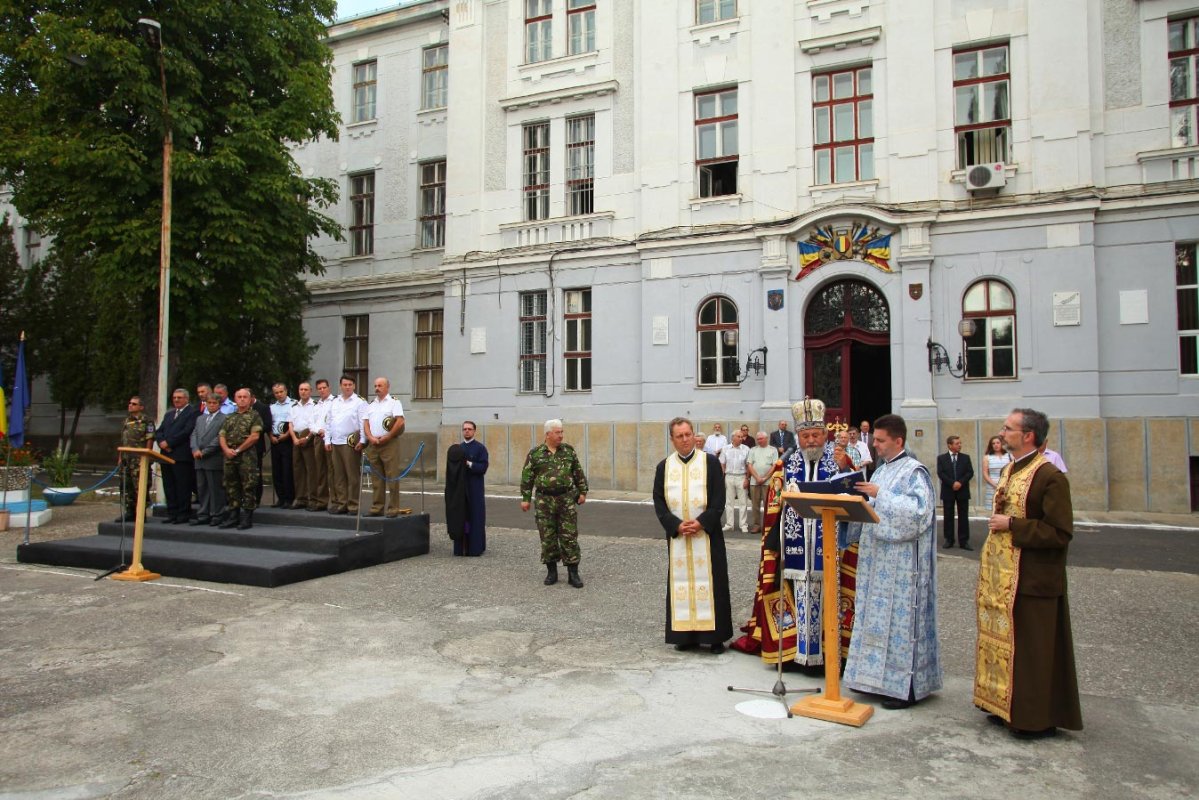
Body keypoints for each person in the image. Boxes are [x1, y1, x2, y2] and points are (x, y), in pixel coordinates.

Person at [976, 408, 1082, 739]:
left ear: (1028, 436)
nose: (1002, 433)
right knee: (1007, 645)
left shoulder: (1051, 476)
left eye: (1008, 428)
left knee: (1033, 650)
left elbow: (1060, 532)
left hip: (1033, 578)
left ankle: (1032, 717)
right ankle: (1001, 705)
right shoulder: (1010, 469)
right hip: (1004, 579)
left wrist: (1014, 525)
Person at [842, 414, 942, 710]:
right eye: (874, 439)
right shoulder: (881, 471)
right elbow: (874, 510)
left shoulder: (914, 472)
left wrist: (880, 496)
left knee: (900, 625)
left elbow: (918, 513)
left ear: (898, 441)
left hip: (902, 569)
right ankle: (875, 681)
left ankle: (905, 689)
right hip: (876, 565)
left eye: (880, 440)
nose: (874, 445)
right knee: (874, 621)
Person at [653, 417, 730, 654]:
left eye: (688, 434)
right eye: (680, 436)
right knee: (681, 584)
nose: (685, 440)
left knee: (712, 583)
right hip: (679, 539)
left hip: (707, 537)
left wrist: (701, 523)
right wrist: (675, 525)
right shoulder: (664, 467)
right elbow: (659, 501)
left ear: (694, 435)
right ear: (672, 439)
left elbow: (719, 499)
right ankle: (685, 636)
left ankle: (715, 638)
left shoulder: (710, 463)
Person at [520, 419, 589, 588]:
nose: (561, 435)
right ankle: (552, 572)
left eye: (562, 432)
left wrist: (583, 491)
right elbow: (527, 477)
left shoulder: (568, 451)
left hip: (566, 499)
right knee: (547, 537)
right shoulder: (535, 454)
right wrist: (526, 498)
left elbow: (577, 472)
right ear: (548, 434)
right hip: (544, 501)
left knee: (569, 536)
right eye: (558, 432)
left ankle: (573, 573)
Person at [218, 388, 264, 530]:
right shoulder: (229, 417)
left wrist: (238, 450)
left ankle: (247, 517)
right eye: (239, 397)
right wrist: (226, 449)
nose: (242, 399)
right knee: (231, 486)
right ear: (235, 399)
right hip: (229, 456)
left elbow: (255, 436)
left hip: (246, 456)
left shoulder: (255, 415)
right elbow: (221, 435)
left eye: (245, 397)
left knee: (248, 486)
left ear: (250, 399)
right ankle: (233, 516)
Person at [362, 376, 406, 518]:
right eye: (375, 385)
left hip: (389, 443)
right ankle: (377, 507)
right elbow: (366, 423)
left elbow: (400, 421)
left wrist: (388, 436)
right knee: (376, 478)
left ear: (387, 387)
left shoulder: (394, 402)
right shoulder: (371, 404)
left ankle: (393, 508)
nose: (377, 388)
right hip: (374, 444)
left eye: (380, 385)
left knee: (392, 476)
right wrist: (370, 437)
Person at [325, 376, 367, 515]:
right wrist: (327, 440)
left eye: (350, 384)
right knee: (339, 476)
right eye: (345, 384)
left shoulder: (359, 402)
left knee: (352, 475)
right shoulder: (335, 401)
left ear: (354, 386)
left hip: (350, 443)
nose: (347, 387)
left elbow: (363, 422)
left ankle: (353, 505)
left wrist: (362, 440)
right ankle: (342, 503)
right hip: (336, 442)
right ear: (340, 386)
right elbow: (329, 422)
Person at [157, 388, 198, 524]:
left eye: (179, 397)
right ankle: (172, 513)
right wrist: (161, 442)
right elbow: (160, 431)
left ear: (186, 399)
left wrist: (169, 443)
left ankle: (183, 513)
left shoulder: (192, 413)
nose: (176, 400)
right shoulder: (169, 414)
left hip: (181, 456)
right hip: (166, 456)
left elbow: (187, 431)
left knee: (182, 486)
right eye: (174, 397)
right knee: (169, 486)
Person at [116, 396, 155, 523]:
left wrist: (147, 456)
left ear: (141, 407)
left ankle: (141, 513)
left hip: (139, 459)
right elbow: (123, 441)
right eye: (130, 403)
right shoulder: (127, 421)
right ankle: (129, 511)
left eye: (134, 404)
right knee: (126, 487)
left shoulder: (146, 421)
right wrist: (120, 457)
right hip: (126, 459)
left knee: (140, 486)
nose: (130, 405)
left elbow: (150, 438)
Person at [189, 394, 227, 526]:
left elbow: (219, 438)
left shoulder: (224, 419)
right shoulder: (200, 418)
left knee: (215, 488)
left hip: (213, 458)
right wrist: (195, 449)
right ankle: (203, 513)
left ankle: (217, 513)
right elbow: (194, 435)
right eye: (209, 403)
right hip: (198, 459)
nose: (211, 405)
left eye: (214, 403)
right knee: (202, 488)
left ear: (219, 404)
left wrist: (204, 452)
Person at [455, 420, 489, 556]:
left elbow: (483, 467)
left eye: (469, 429)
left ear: (474, 431)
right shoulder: (458, 448)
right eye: (465, 429)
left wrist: (469, 464)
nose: (467, 431)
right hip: (461, 489)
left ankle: (475, 548)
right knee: (462, 517)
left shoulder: (480, 448)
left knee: (476, 517)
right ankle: (461, 548)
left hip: (475, 488)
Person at [937, 435, 974, 549]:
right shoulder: (942, 458)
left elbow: (969, 472)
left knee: (963, 516)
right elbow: (941, 473)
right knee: (948, 516)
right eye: (957, 443)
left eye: (960, 443)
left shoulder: (965, 458)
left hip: (962, 490)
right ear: (950, 445)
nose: (959, 445)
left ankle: (964, 541)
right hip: (948, 490)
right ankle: (949, 539)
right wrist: (952, 483)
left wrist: (960, 483)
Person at [289, 381, 319, 511]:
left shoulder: (315, 406)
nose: (303, 392)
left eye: (306, 389)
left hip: (309, 437)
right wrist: (295, 438)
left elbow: (316, 424)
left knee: (311, 470)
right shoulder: (294, 406)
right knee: (298, 470)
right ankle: (300, 498)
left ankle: (312, 499)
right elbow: (290, 424)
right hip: (296, 437)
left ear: (310, 391)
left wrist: (307, 438)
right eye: (301, 389)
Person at [268, 383, 296, 508]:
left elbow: (294, 423)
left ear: (286, 391)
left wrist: (287, 435)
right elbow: (269, 424)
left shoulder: (293, 404)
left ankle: (289, 498)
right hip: (275, 440)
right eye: (276, 392)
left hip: (287, 439)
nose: (279, 394)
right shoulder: (272, 407)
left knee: (287, 470)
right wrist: (270, 436)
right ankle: (281, 498)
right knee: (277, 470)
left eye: (281, 391)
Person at [308, 378, 334, 512]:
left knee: (332, 470)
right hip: (318, 438)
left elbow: (334, 419)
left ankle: (334, 501)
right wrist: (318, 430)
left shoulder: (334, 402)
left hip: (330, 437)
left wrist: (326, 431)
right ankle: (322, 501)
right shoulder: (316, 405)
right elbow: (311, 423)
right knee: (320, 470)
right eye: (320, 388)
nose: (322, 390)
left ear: (329, 387)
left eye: (324, 387)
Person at [745, 431, 776, 534]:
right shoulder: (753, 450)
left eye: (761, 439)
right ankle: (756, 525)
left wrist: (765, 478)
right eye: (758, 439)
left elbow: (774, 466)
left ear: (766, 439)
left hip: (767, 482)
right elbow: (749, 465)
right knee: (755, 505)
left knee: (768, 505)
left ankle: (768, 526)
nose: (759, 441)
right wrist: (757, 477)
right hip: (755, 482)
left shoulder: (773, 450)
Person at [719, 430, 750, 533]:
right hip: (729, 476)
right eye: (739, 436)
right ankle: (729, 524)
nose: (741, 438)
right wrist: (722, 478)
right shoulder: (725, 449)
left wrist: (747, 478)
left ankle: (743, 525)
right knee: (729, 502)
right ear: (733, 438)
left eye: (742, 437)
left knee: (743, 502)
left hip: (741, 477)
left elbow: (748, 465)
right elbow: (722, 464)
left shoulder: (746, 449)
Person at [250, 391, 273, 506]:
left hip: (256, 446)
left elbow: (268, 425)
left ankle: (257, 498)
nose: (242, 399)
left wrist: (254, 429)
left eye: (245, 397)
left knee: (257, 473)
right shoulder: (238, 409)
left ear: (252, 397)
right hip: (242, 447)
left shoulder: (262, 408)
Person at [982, 435, 1011, 511]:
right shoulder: (987, 457)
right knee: (994, 508)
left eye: (998, 443)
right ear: (991, 445)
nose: (996, 445)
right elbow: (985, 473)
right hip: (992, 486)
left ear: (1001, 444)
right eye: (993, 443)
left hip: (1007, 485)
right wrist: (995, 485)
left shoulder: (1009, 456)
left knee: (1006, 507)